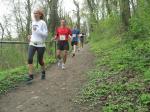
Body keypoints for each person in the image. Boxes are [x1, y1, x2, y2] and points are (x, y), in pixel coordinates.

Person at [27, 9, 48, 82]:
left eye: (36, 13)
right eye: (34, 13)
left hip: (41, 45)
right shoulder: (33, 23)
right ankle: (31, 75)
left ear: (40, 15)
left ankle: (43, 72)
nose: (35, 14)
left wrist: (38, 30)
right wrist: (30, 36)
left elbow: (45, 35)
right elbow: (33, 32)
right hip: (32, 43)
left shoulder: (43, 23)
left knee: (40, 61)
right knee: (29, 58)